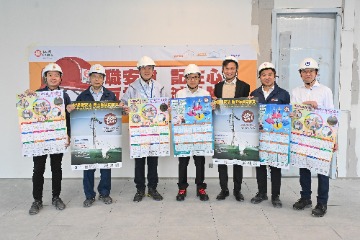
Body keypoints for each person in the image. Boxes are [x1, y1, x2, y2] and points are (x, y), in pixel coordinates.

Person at [291, 57, 337, 217]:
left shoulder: (325, 91)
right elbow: (294, 113)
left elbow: (332, 117)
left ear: (316, 73)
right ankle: (305, 198)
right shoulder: (296, 92)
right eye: (304, 71)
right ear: (300, 74)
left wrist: (334, 140)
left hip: (322, 138)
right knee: (304, 168)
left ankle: (322, 202)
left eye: (310, 71)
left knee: (322, 171)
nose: (307, 74)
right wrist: (305, 105)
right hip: (303, 137)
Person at [121, 56, 167, 202]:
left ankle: (153, 188)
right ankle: (140, 189)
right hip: (138, 132)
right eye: (144, 68)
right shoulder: (132, 87)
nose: (147, 71)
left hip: (155, 130)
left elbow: (166, 105)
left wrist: (167, 108)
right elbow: (122, 105)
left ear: (153, 70)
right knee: (139, 161)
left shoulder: (160, 87)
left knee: (153, 160)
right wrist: (125, 108)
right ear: (139, 70)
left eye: (149, 68)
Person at [28, 63, 71, 215]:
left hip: (57, 138)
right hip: (40, 138)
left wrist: (68, 135)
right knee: (38, 169)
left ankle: (56, 197)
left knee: (56, 168)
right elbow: (29, 114)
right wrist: (26, 99)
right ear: (45, 77)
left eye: (56, 75)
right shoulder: (37, 94)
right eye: (50, 75)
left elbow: (69, 118)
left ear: (60, 79)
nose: (53, 78)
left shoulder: (64, 95)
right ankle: (37, 200)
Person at [74, 64, 117, 207]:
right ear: (90, 79)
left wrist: (122, 110)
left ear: (104, 79)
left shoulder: (110, 95)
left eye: (100, 77)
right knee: (88, 166)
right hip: (87, 136)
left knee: (106, 165)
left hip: (106, 136)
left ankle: (105, 193)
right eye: (94, 76)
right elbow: (77, 117)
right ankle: (89, 195)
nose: (97, 79)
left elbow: (114, 115)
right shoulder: (82, 96)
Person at [249, 62, 290, 208]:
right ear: (259, 77)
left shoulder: (283, 94)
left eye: (270, 74)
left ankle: (275, 196)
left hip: (276, 138)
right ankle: (261, 193)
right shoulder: (254, 94)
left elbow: (288, 116)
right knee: (260, 166)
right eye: (264, 75)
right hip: (259, 136)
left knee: (275, 166)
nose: (267, 77)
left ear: (274, 76)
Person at [213, 56, 250, 201]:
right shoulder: (218, 87)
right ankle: (224, 189)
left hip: (238, 126)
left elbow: (247, 105)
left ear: (236, 70)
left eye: (232, 68)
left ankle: (237, 190)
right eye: (227, 68)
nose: (229, 71)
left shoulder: (244, 86)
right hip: (222, 127)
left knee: (237, 159)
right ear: (223, 70)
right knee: (222, 159)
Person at [175, 64, 211, 201]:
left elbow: (207, 114)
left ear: (199, 79)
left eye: (195, 77)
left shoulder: (205, 94)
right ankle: (182, 188)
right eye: (190, 77)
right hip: (184, 134)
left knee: (200, 162)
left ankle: (200, 187)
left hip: (200, 134)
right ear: (185, 79)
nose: (192, 80)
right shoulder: (180, 94)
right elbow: (178, 114)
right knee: (183, 162)